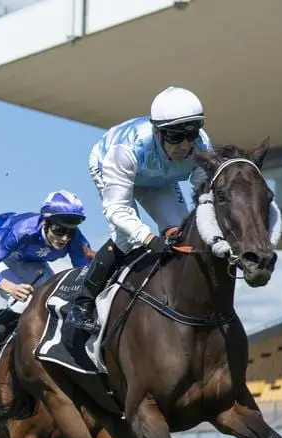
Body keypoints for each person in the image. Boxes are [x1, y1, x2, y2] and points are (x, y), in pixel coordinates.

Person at [64, 86, 214, 334]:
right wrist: (149, 238)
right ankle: (81, 304)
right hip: (111, 166)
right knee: (126, 238)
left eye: (191, 135)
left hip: (159, 179)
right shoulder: (126, 150)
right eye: (175, 136)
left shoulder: (202, 145)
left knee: (180, 230)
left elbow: (205, 192)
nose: (185, 146)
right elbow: (117, 210)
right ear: (157, 132)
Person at [0, 189, 94, 390]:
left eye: (71, 231)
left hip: (35, 262)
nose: (66, 238)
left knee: (59, 299)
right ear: (45, 223)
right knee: (23, 303)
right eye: (59, 231)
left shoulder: (74, 238)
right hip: (8, 259)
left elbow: (84, 272)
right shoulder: (21, 231)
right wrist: (9, 286)